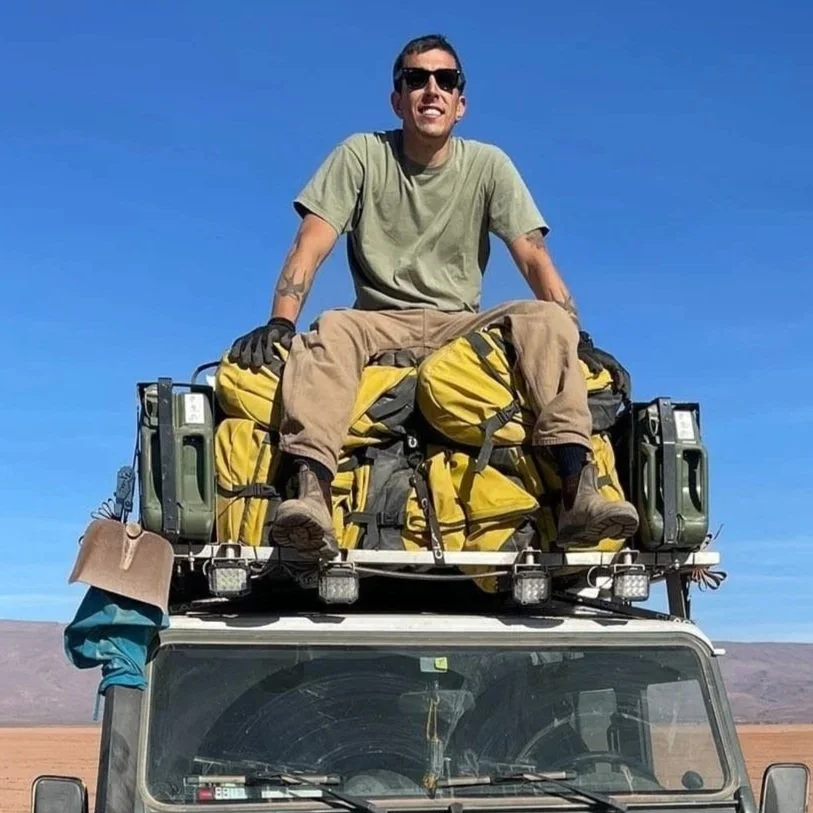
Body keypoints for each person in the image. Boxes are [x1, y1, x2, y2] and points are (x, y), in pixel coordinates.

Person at [228, 33, 639, 561]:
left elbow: (534, 257)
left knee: (542, 318)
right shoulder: (361, 154)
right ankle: (310, 497)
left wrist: (575, 335)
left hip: (461, 323)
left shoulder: (489, 165)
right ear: (397, 99)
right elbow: (311, 244)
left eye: (446, 80)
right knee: (329, 329)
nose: (431, 90)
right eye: (415, 79)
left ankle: (580, 489)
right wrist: (280, 321)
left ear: (461, 104)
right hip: (378, 318)